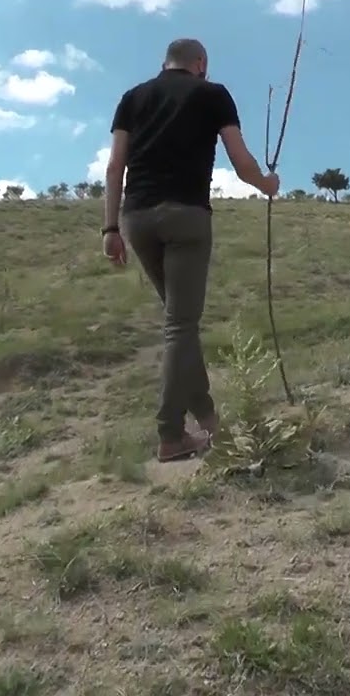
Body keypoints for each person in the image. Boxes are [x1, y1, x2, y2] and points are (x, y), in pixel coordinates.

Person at [100, 38, 280, 461]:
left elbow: (114, 166)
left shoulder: (132, 98)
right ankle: (170, 434)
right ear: (201, 63)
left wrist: (110, 227)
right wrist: (266, 184)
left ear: (164, 63)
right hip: (186, 216)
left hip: (137, 219)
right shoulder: (212, 94)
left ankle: (209, 419)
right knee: (180, 326)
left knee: (179, 322)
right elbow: (240, 160)